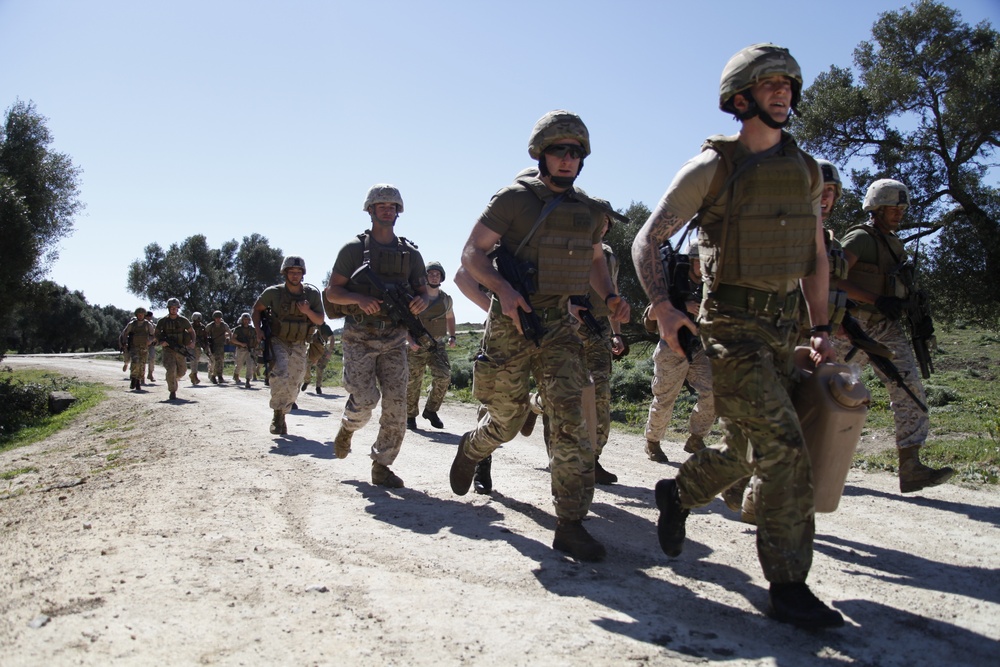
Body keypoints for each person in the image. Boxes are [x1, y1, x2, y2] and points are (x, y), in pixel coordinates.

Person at [632, 44, 843, 629]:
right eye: (769, 83)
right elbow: (646, 240)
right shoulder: (711, 169)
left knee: (746, 452)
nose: (782, 93)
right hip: (730, 331)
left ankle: (677, 494)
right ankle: (789, 586)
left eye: (788, 84)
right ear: (741, 96)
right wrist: (664, 307)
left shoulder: (806, 171)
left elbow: (816, 256)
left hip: (783, 331)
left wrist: (820, 327)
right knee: (785, 448)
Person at [450, 110, 630, 562]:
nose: (567, 160)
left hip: (559, 327)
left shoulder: (587, 211)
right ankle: (473, 447)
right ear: (541, 153)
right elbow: (472, 253)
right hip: (510, 323)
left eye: (575, 153)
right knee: (506, 423)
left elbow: (593, 261)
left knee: (571, 419)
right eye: (558, 151)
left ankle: (570, 522)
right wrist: (504, 292)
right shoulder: (513, 199)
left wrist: (609, 297)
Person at [837, 178, 954, 493]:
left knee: (909, 386)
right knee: (813, 386)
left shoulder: (895, 245)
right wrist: (875, 299)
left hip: (884, 327)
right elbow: (833, 278)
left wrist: (919, 316)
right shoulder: (860, 239)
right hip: (849, 325)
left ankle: (911, 466)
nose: (900, 212)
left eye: (903, 207)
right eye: (893, 206)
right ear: (876, 207)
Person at [325, 184, 428, 489]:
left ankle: (381, 466)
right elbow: (333, 291)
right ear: (370, 210)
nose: (387, 209)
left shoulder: (410, 254)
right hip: (359, 336)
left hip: (395, 338)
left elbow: (423, 291)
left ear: (399, 212)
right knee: (366, 399)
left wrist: (422, 301)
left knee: (397, 404)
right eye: (381, 205)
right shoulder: (353, 250)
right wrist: (358, 300)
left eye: (392, 206)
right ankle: (348, 427)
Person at [642, 240, 716, 464]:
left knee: (714, 391)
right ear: (692, 261)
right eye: (701, 262)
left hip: (698, 347)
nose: (705, 267)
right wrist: (682, 307)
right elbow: (650, 315)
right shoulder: (673, 283)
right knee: (665, 399)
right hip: (671, 348)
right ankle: (652, 442)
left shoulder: (708, 285)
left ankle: (696, 438)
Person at [573, 198, 627, 485]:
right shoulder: (569, 247)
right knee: (566, 394)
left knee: (600, 395)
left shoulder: (609, 256)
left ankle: (592, 459)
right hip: (568, 331)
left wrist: (616, 332)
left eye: (606, 221)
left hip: (599, 333)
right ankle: (537, 404)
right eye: (598, 220)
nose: (602, 225)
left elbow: (613, 294)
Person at [253, 256, 324, 435]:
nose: (295, 275)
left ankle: (284, 411)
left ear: (303, 274)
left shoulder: (312, 294)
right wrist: (257, 330)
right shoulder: (273, 293)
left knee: (295, 381)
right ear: (285, 273)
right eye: (291, 272)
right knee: (281, 374)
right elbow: (257, 309)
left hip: (301, 343)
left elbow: (320, 320)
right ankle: (278, 414)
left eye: (298, 272)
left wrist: (307, 311)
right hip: (279, 340)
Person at [406, 261, 456, 430]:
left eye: (437, 274)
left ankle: (431, 411)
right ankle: (410, 415)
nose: (434, 276)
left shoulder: (445, 299)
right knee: (413, 381)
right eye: (431, 273)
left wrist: (452, 336)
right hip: (416, 345)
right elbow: (403, 320)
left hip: (437, 345)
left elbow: (450, 317)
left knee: (444, 375)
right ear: (425, 277)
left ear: (441, 277)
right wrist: (410, 341)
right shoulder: (415, 297)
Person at [155, 298, 196, 401]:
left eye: (175, 308)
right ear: (168, 309)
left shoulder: (183, 320)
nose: (173, 310)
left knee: (182, 371)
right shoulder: (163, 321)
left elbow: (191, 331)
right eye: (171, 308)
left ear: (178, 309)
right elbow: (156, 333)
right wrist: (161, 342)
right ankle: (172, 391)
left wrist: (193, 342)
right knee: (171, 369)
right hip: (168, 350)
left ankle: (173, 379)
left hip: (180, 348)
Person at [121, 307, 156, 391]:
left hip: (144, 347)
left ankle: (138, 381)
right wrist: (124, 343)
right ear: (136, 315)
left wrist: (150, 341)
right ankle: (133, 378)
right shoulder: (132, 324)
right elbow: (125, 333)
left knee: (142, 365)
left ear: (144, 315)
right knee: (135, 362)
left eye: (142, 314)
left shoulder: (148, 324)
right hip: (134, 347)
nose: (140, 316)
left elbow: (153, 334)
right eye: (139, 314)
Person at [302, 323, 335, 394]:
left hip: (322, 349)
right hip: (312, 349)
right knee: (306, 366)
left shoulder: (325, 327)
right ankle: (307, 381)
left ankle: (318, 386)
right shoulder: (311, 326)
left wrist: (329, 351)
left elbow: (332, 338)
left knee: (320, 368)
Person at [204, 310, 232, 384]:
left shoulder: (224, 325)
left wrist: (229, 339)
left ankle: (219, 375)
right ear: (214, 318)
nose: (218, 319)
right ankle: (213, 375)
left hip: (221, 345)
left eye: (219, 317)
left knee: (220, 360)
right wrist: (206, 342)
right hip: (213, 345)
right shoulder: (211, 325)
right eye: (216, 318)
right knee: (214, 360)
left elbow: (229, 332)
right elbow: (204, 332)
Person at [231, 312, 257, 388]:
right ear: (242, 320)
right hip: (241, 349)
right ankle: (236, 375)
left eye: (247, 319)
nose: (246, 321)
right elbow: (232, 339)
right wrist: (241, 344)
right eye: (244, 319)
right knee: (239, 364)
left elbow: (256, 338)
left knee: (250, 365)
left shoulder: (252, 329)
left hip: (250, 349)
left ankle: (248, 380)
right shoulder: (238, 329)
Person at [188, 312, 208, 385]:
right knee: (193, 360)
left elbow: (205, 337)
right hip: (190, 346)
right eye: (196, 320)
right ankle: (194, 376)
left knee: (196, 360)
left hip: (198, 346)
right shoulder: (189, 326)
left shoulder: (202, 327)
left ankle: (193, 374)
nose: (197, 322)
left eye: (199, 321)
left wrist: (205, 346)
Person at [145, 309, 157, 382]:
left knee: (152, 358)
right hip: (142, 344)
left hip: (151, 344)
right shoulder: (141, 323)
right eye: (147, 317)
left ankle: (150, 373)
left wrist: (153, 340)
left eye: (150, 317)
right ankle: (140, 376)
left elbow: (156, 334)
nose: (149, 318)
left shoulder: (153, 325)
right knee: (141, 360)